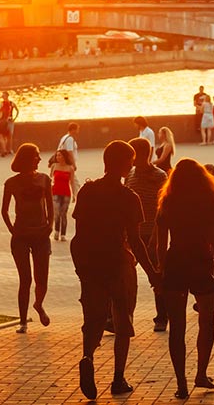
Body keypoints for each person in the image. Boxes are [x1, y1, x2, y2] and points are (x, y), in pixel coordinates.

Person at [70, 140, 161, 400]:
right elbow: (136, 240)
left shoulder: (87, 191)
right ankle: (118, 378)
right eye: (130, 160)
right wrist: (152, 273)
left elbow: (79, 234)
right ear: (123, 164)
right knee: (123, 321)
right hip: (119, 263)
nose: (132, 164)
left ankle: (88, 356)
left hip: (91, 263)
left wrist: (81, 267)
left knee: (94, 316)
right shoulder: (128, 198)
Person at [156, 158, 214, 399]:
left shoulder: (167, 201)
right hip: (201, 263)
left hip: (176, 263)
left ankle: (181, 383)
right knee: (206, 323)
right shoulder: (206, 202)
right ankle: (201, 373)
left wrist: (160, 268)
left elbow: (161, 242)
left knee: (177, 327)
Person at [1, 143, 53, 334]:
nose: (39, 159)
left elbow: (50, 204)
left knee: (42, 279)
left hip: (41, 234)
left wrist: (50, 226)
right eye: (36, 156)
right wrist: (13, 231)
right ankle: (22, 321)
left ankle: (38, 304)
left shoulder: (45, 179)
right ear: (27, 159)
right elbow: (4, 210)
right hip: (21, 236)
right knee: (25, 279)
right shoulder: (11, 183)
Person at [125, 137, 168, 331]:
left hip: (152, 232)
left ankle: (162, 316)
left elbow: (163, 208)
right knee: (125, 276)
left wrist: (157, 236)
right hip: (133, 234)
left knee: (157, 273)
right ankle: (123, 316)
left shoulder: (159, 176)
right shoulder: (130, 175)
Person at [49, 149, 75, 242]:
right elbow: (50, 179)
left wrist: (74, 194)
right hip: (55, 191)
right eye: (57, 156)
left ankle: (63, 234)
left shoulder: (70, 168)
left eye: (60, 155)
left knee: (63, 214)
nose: (58, 157)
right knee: (57, 212)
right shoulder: (54, 166)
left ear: (64, 156)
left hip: (66, 193)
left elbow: (72, 182)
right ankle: (56, 231)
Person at [55, 122, 81, 197]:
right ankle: (77, 196)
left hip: (63, 162)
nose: (78, 131)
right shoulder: (70, 139)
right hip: (68, 162)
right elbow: (70, 152)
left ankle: (75, 194)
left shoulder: (65, 137)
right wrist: (73, 164)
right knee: (75, 182)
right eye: (77, 129)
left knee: (71, 181)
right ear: (73, 129)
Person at [0, 91, 19, 157]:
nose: (3, 97)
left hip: (4, 121)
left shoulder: (3, 104)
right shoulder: (11, 103)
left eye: (3, 96)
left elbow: (1, 114)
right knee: (9, 136)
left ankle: (6, 150)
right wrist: (14, 118)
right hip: (10, 121)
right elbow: (17, 110)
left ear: (6, 96)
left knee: (4, 136)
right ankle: (9, 150)